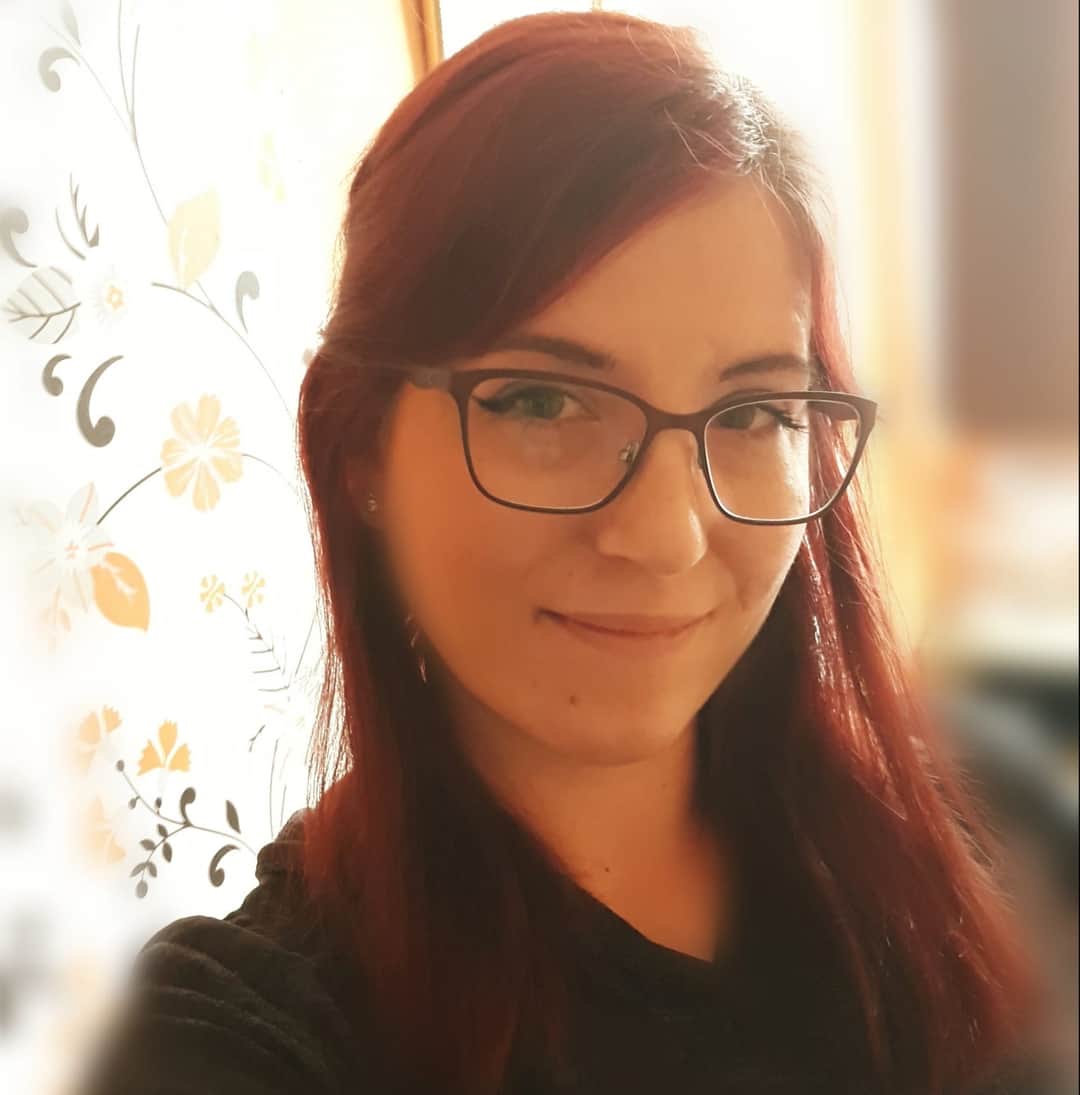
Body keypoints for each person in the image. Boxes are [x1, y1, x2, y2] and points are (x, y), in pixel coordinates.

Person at [78, 11, 1041, 1095]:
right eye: (543, 401)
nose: (667, 535)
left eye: (753, 411)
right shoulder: (243, 1030)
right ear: (360, 449)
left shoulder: (966, 832)